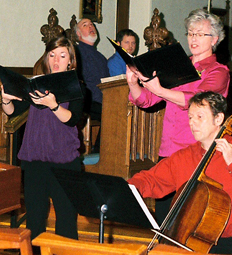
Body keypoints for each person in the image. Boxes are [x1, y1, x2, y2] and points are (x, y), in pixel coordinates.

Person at [126, 8, 230, 225]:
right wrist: (133, 82)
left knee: (192, 219)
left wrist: (160, 90)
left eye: (201, 34)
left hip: (196, 152)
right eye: (191, 33)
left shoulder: (218, 71)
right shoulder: (177, 63)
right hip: (170, 150)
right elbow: (147, 100)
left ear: (215, 39)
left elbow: (197, 99)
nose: (194, 38)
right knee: (166, 217)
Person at [1, 35, 84, 241]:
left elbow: (72, 119)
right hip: (35, 159)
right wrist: (5, 100)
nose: (56, 60)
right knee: (35, 223)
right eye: (52, 55)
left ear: (70, 60)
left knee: (66, 222)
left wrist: (53, 105)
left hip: (64, 161)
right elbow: (13, 111)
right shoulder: (36, 84)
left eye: (62, 55)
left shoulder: (77, 86)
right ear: (46, 59)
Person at [128, 91, 232, 254]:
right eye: (190, 117)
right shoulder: (184, 156)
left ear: (218, 119)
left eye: (199, 117)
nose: (192, 123)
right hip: (189, 241)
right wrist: (127, 189)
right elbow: (151, 179)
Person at [74, 18, 109, 122]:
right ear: (78, 34)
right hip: (88, 102)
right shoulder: (77, 53)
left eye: (92, 24)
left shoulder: (101, 57)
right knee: (114, 113)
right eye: (85, 25)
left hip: (102, 101)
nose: (91, 27)